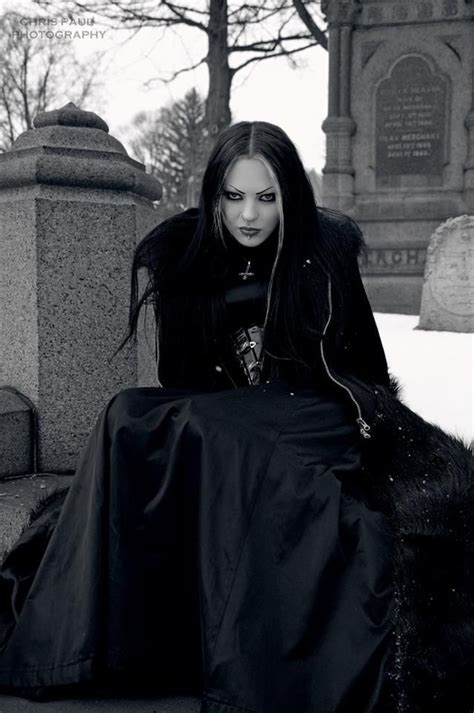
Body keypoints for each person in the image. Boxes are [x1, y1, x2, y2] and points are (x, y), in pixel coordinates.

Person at [0, 121, 472, 713]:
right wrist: (213, 305)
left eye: (266, 198)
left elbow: (367, 371)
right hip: (227, 418)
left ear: (289, 199)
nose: (249, 214)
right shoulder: (185, 256)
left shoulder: (324, 251)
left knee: (222, 433)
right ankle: (76, 648)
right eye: (234, 196)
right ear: (214, 196)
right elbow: (183, 381)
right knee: (128, 414)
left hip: (315, 417)